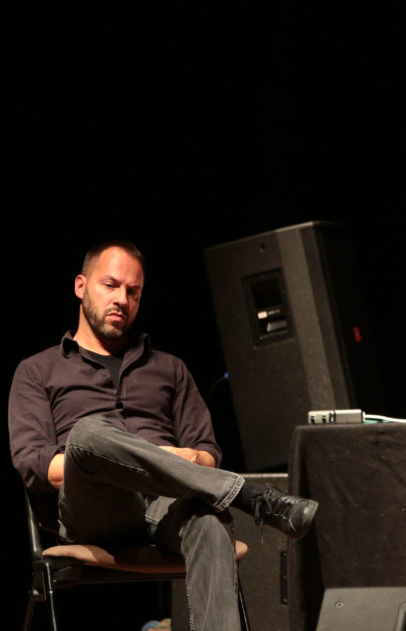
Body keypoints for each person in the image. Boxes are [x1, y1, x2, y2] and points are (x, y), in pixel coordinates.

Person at [8, 240, 319, 631]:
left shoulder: (170, 369)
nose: (122, 298)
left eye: (133, 291)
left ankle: (235, 496)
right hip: (96, 508)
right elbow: (35, 466)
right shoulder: (38, 371)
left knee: (209, 519)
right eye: (111, 285)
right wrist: (160, 459)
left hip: (166, 506)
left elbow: (207, 454)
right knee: (88, 433)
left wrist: (188, 461)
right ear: (81, 286)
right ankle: (248, 495)